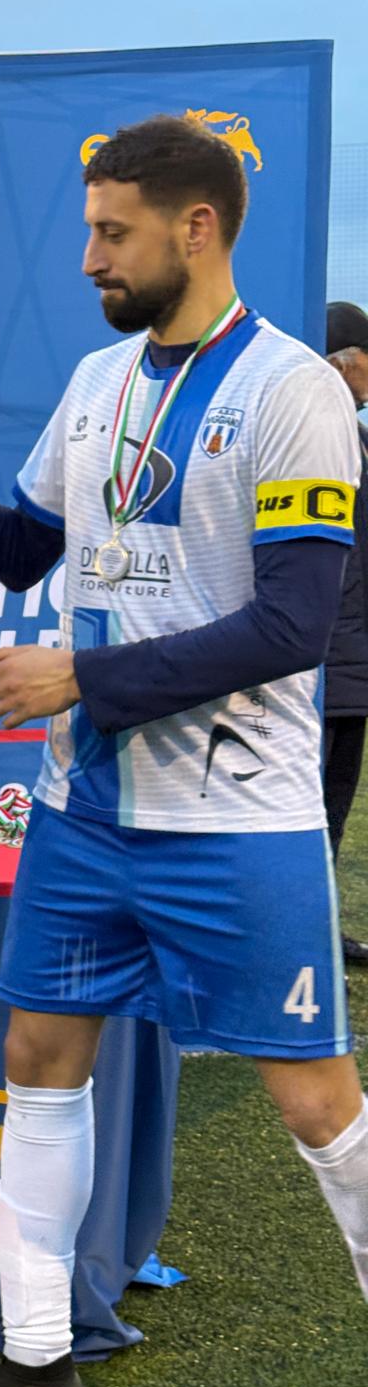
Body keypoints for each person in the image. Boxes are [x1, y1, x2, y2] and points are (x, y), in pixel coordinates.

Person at [0, 116, 368, 1387]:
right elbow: (22, 551)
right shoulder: (97, 381)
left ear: (198, 228)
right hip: (87, 811)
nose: (89, 259)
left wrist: (82, 677)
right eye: (88, 232)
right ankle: (37, 1370)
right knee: (37, 1055)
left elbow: (293, 628)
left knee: (313, 1100)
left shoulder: (292, 391)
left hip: (237, 821)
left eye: (113, 233)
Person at [324, 300, 368, 965]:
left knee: (333, 806)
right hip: (315, 659)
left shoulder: (355, 436)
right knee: (301, 812)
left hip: (352, 663)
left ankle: (317, 932)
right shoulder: (307, 432)